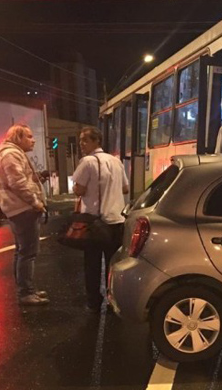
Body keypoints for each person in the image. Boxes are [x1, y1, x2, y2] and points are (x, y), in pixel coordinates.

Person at [72, 127, 129, 312]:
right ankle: (114, 300)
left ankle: (94, 302)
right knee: (113, 264)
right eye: (81, 140)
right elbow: (125, 189)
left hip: (95, 222)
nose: (81, 144)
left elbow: (78, 190)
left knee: (92, 264)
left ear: (96, 142)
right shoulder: (116, 161)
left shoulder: (87, 162)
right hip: (117, 220)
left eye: (85, 140)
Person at [0, 124, 49, 306]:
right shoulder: (11, 154)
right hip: (22, 209)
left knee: (22, 251)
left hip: (19, 208)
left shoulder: (12, 153)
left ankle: (25, 289)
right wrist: (36, 202)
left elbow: (20, 179)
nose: (33, 140)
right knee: (28, 252)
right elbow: (18, 183)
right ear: (18, 138)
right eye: (29, 136)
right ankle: (26, 293)